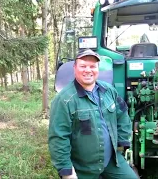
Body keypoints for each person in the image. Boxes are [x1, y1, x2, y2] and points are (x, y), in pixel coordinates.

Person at [48, 49, 138, 179]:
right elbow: (58, 138)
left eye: (92, 66)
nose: (88, 70)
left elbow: (122, 114)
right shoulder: (64, 100)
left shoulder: (109, 90)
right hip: (83, 168)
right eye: (83, 66)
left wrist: (122, 143)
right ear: (74, 68)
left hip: (111, 161)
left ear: (98, 69)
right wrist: (66, 172)